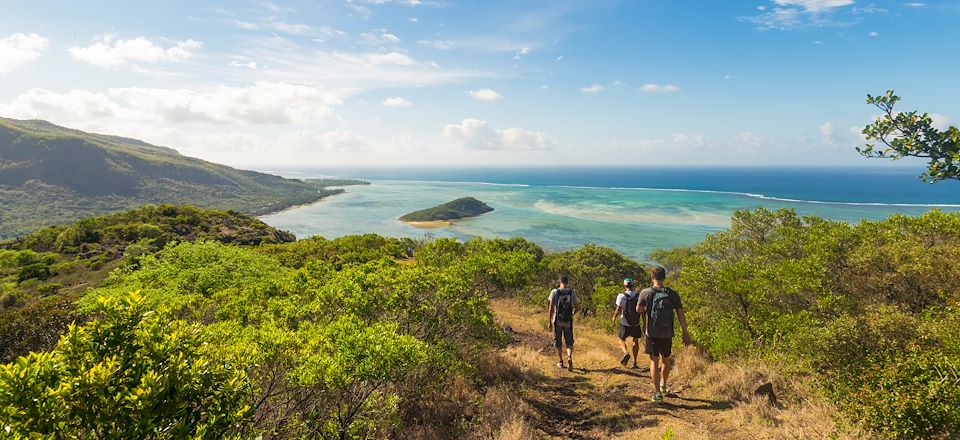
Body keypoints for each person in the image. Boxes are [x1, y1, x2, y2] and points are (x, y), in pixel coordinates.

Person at [636, 267, 691, 403]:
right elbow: (680, 314)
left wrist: (644, 310)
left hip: (652, 333)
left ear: (652, 277)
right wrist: (685, 333)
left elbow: (639, 309)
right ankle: (664, 384)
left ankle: (657, 393)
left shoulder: (646, 292)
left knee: (654, 361)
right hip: (667, 333)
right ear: (664, 277)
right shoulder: (673, 294)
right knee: (665, 360)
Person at [547, 275, 579, 371]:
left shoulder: (555, 292)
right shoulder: (571, 292)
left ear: (559, 282)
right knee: (569, 341)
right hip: (568, 322)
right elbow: (577, 307)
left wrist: (549, 322)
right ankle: (569, 357)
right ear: (567, 282)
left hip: (557, 321)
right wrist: (571, 314)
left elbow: (551, 308)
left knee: (558, 341)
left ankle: (561, 361)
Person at [612, 277, 642, 368]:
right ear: (632, 285)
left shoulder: (621, 296)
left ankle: (625, 353)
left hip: (624, 322)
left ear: (624, 286)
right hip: (636, 322)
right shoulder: (638, 295)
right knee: (635, 341)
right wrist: (644, 322)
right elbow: (642, 310)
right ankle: (634, 362)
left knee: (621, 339)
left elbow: (618, 309)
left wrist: (614, 317)